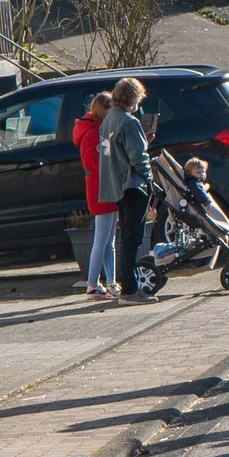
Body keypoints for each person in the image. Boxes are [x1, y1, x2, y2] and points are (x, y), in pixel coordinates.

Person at [101, 78, 156, 300]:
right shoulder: (129, 122)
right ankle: (130, 288)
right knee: (133, 238)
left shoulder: (107, 121)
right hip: (132, 185)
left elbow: (108, 152)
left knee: (126, 237)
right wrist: (149, 177)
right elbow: (138, 156)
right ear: (132, 98)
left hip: (116, 185)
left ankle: (127, 285)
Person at [74, 91, 119, 299]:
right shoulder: (94, 132)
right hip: (102, 190)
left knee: (107, 240)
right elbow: (93, 161)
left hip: (104, 189)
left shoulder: (94, 129)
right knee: (102, 240)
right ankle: (93, 283)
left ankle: (109, 282)